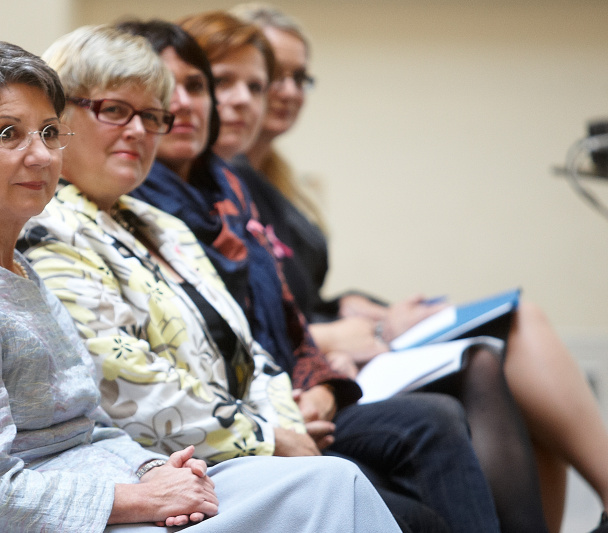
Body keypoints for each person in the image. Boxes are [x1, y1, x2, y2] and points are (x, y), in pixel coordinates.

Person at [0, 38, 401, 533]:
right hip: (66, 520)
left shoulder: (8, 265)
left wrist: (156, 471)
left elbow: (89, 425)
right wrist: (144, 498)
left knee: (336, 481)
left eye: (49, 132)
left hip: (117, 489)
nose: (40, 155)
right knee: (329, 497)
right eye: (9, 134)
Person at [20, 21, 503, 533]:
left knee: (416, 491)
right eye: (115, 110)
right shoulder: (46, 226)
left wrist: (286, 427)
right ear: (57, 121)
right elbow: (123, 379)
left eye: (152, 116)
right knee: (409, 515)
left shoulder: (158, 224)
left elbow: (253, 352)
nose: (138, 131)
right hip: (161, 468)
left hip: (238, 442)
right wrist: (268, 437)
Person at [230, 4, 608, 533]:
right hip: (309, 364)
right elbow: (249, 311)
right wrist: (370, 328)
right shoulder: (221, 188)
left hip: (326, 344)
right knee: (502, 342)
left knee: (518, 327)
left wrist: (353, 305)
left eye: (299, 77)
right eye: (269, 76)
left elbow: (297, 289)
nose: (284, 91)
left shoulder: (272, 181)